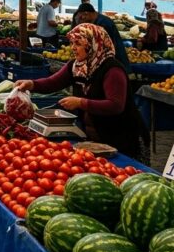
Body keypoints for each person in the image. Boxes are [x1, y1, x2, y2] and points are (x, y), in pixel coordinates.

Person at [15, 24, 148, 159]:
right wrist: (31, 84)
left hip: (123, 138)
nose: (73, 48)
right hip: (95, 138)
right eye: (72, 43)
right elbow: (53, 82)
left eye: (78, 44)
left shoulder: (112, 70)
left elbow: (115, 105)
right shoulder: (76, 66)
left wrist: (80, 103)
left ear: (93, 44)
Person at [75, 3, 130, 69]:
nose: (82, 19)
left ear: (86, 13)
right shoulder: (97, 21)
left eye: (82, 17)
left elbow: (103, 47)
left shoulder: (104, 23)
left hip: (116, 61)